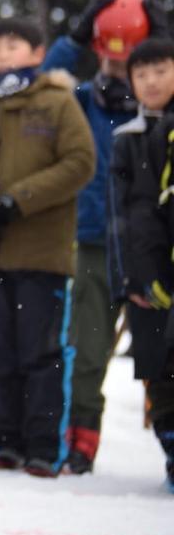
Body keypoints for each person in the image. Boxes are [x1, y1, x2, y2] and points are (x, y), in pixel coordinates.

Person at [0, 18, 95, 477]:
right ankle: (4, 441)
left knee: (41, 351)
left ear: (36, 52)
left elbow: (80, 162)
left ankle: (45, 446)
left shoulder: (56, 103)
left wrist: (19, 200)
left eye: (13, 45)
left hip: (40, 251)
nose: (2, 54)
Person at [42, 0, 166, 473]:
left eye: (136, 61)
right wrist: (74, 36)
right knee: (86, 352)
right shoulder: (77, 102)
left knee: (160, 356)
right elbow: (44, 85)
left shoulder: (159, 108)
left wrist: (162, 38)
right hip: (93, 244)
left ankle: (169, 445)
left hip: (153, 249)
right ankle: (81, 442)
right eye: (113, 58)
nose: (123, 69)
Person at [107, 37, 174, 493]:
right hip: (146, 271)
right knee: (157, 367)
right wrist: (126, 277)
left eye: (161, 70)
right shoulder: (126, 138)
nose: (151, 82)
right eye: (141, 74)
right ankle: (171, 450)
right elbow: (119, 216)